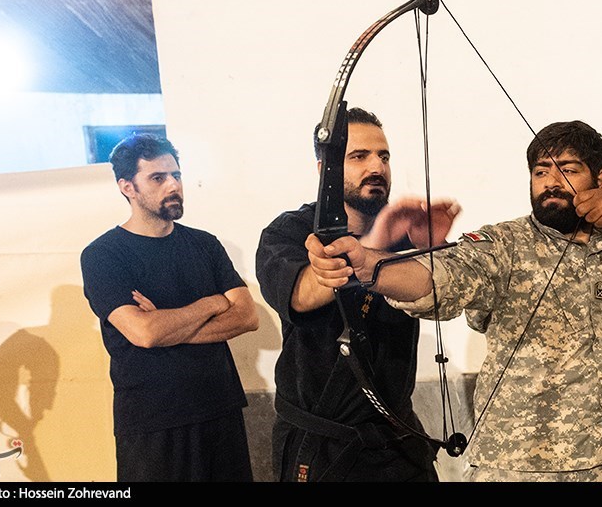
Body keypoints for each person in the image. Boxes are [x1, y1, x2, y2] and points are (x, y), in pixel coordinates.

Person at [305, 120, 602, 482]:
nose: (551, 182)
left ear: (600, 179)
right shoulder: (504, 245)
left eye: (568, 169)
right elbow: (442, 275)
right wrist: (371, 266)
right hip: (523, 463)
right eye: (541, 172)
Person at [255, 107, 462, 482]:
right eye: (359, 156)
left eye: (384, 156)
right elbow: (302, 294)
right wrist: (374, 244)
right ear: (326, 170)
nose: (377, 167)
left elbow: (447, 300)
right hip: (322, 446)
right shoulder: (290, 231)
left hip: (397, 441)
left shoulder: (406, 231)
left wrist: (434, 248)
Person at [80, 133, 259, 482]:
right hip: (153, 423)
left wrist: (168, 327)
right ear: (127, 187)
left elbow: (246, 316)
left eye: (176, 175)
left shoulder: (204, 244)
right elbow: (145, 333)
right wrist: (213, 303)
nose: (173, 185)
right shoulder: (103, 255)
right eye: (158, 178)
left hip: (220, 409)